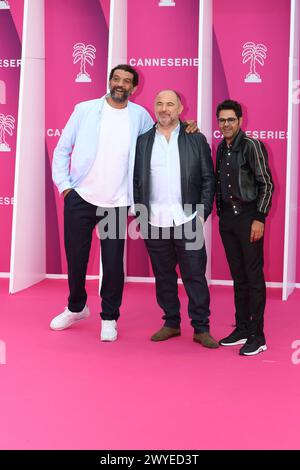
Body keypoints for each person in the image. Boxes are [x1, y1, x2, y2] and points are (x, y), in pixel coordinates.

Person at [50, 65, 197, 341]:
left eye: (126, 81)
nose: (120, 84)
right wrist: (66, 188)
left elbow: (163, 129)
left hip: (116, 204)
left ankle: (109, 317)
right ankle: (76, 306)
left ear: (134, 88)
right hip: (80, 197)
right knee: (76, 259)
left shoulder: (140, 116)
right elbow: (62, 150)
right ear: (109, 82)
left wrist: (188, 125)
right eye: (116, 79)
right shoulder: (84, 110)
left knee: (114, 264)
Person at [133, 90, 218, 348]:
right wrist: (141, 214)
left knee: (194, 275)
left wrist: (201, 214)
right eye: (159, 103)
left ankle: (201, 328)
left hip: (188, 218)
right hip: (154, 221)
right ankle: (171, 322)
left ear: (181, 108)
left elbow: (207, 179)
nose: (164, 108)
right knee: (164, 275)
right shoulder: (143, 141)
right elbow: (136, 181)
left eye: (170, 104)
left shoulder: (196, 138)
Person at [216, 100, 274, 355]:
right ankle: (242, 328)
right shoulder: (221, 147)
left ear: (240, 121)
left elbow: (267, 185)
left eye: (230, 120)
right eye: (222, 120)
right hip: (227, 220)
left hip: (249, 218)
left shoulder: (251, 146)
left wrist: (260, 217)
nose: (226, 124)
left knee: (253, 277)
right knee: (238, 277)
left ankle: (257, 335)